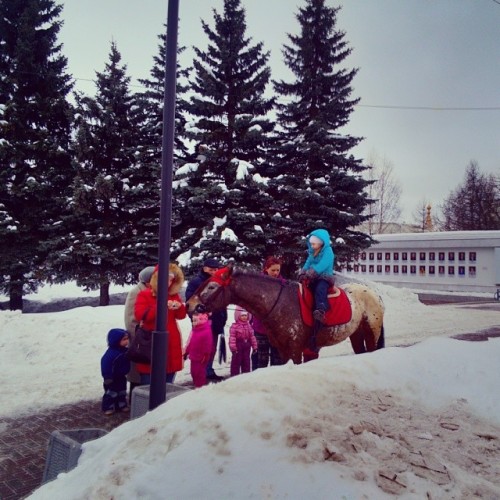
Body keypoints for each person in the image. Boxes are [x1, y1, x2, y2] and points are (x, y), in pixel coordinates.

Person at [134, 263, 186, 385]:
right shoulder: (144, 294)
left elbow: (181, 316)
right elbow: (140, 315)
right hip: (151, 343)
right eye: (166, 279)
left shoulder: (174, 295)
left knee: (168, 383)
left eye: (171, 280)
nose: (169, 282)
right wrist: (161, 305)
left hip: (171, 342)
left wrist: (179, 307)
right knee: (148, 383)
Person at [185, 257, 228, 381]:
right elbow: (190, 301)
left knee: (212, 348)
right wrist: (202, 312)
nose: (214, 272)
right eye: (211, 269)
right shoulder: (196, 282)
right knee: (201, 349)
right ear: (204, 268)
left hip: (217, 320)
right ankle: (200, 373)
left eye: (216, 269)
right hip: (203, 322)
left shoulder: (219, 281)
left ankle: (209, 370)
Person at [299, 228, 335, 352]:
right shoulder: (313, 251)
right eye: (311, 244)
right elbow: (308, 262)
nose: (312, 246)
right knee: (305, 289)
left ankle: (321, 308)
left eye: (314, 244)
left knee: (320, 289)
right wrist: (303, 272)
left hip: (324, 276)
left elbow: (322, 265)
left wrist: (311, 273)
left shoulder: (328, 252)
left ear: (321, 242)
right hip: (313, 276)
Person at [123, 265, 155, 399]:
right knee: (137, 371)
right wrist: (139, 337)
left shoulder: (151, 291)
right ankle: (135, 399)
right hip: (140, 339)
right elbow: (131, 318)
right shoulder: (136, 292)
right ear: (148, 281)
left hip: (148, 338)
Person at [252, 256, 285, 370]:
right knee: (261, 359)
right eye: (273, 270)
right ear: (266, 269)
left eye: (278, 270)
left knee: (277, 359)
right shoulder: (258, 283)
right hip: (261, 327)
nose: (276, 273)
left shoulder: (283, 284)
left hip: (277, 328)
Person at [101, 328, 130, 415]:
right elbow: (105, 365)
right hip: (111, 378)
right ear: (116, 340)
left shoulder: (125, 351)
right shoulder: (111, 354)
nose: (127, 341)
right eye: (124, 339)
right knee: (111, 392)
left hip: (121, 376)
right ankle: (108, 406)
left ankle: (121, 405)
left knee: (122, 391)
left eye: (127, 339)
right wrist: (107, 377)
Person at [184, 307, 213, 388]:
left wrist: (206, 356)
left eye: (195, 321)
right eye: (193, 321)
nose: (194, 323)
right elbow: (191, 342)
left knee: (199, 374)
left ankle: (200, 388)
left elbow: (208, 345)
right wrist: (187, 351)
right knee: (194, 373)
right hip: (193, 357)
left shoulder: (206, 330)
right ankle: (197, 386)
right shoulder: (195, 330)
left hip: (201, 358)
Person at [229, 306, 258, 376]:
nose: (244, 317)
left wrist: (254, 346)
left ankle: (246, 375)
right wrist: (233, 348)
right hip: (238, 346)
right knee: (236, 362)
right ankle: (234, 376)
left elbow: (252, 337)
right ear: (238, 316)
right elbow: (232, 338)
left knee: (246, 362)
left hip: (247, 346)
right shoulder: (235, 326)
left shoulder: (249, 326)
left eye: (245, 315)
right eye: (242, 315)